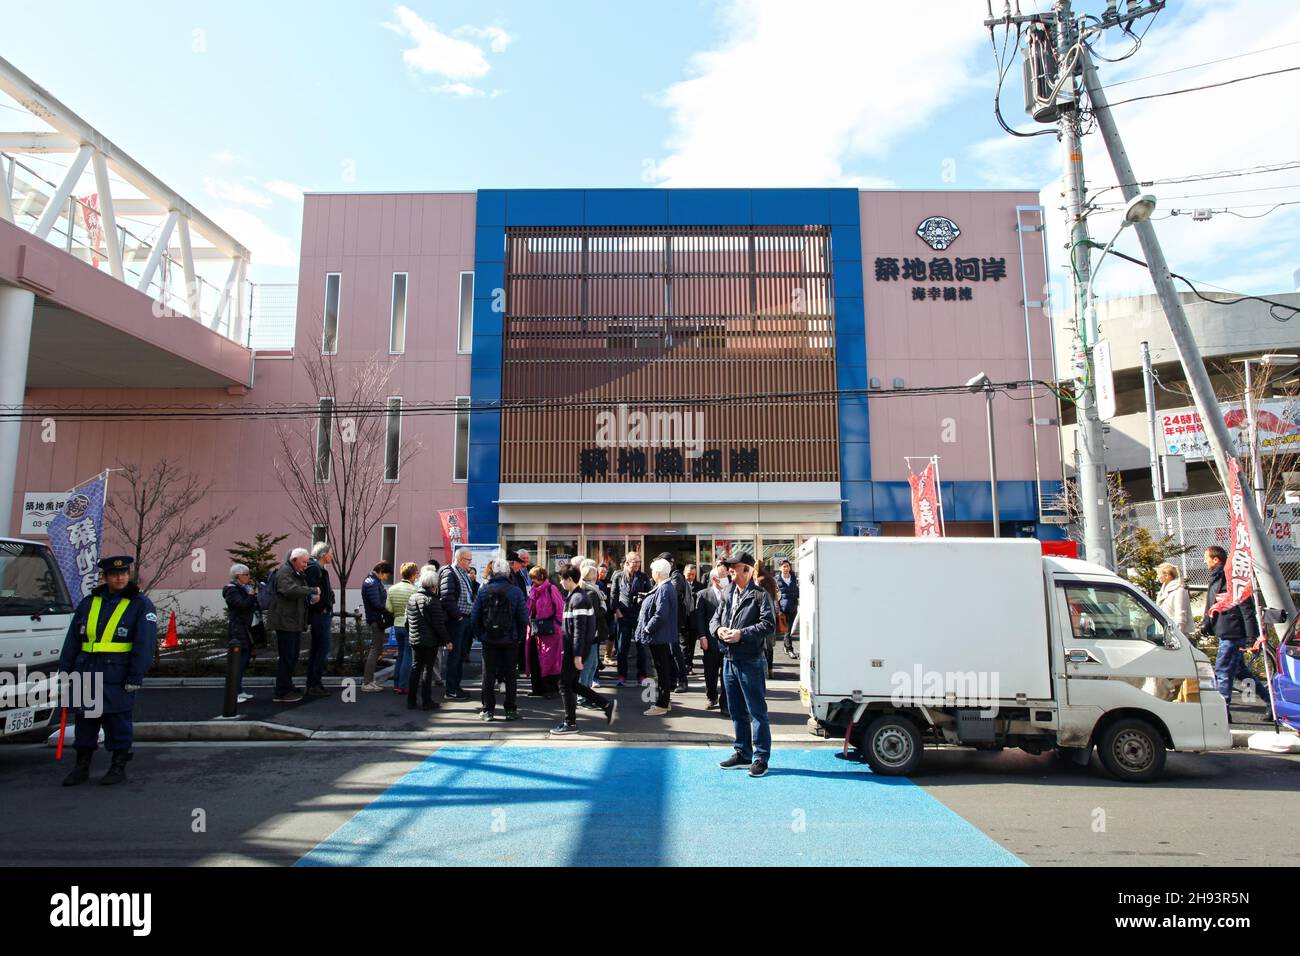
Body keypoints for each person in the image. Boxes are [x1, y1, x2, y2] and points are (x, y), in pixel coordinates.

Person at [58, 555, 159, 786]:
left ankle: (118, 766)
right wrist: (65, 671)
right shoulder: (89, 602)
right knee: (85, 720)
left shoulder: (139, 604)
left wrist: (136, 674)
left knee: (118, 721)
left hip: (117, 674)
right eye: (114, 575)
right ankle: (81, 766)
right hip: (86, 671)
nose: (120, 578)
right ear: (104, 577)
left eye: (124, 573)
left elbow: (145, 643)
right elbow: (73, 640)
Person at [710, 552, 776, 777]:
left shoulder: (760, 595)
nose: (730, 570)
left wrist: (741, 634)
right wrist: (718, 630)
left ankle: (760, 757)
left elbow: (768, 625)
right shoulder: (728, 592)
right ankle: (743, 752)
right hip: (729, 659)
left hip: (750, 660)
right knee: (737, 710)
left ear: (746, 570)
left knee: (756, 711)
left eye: (734, 567)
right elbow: (715, 619)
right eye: (729, 567)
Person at [1201, 545, 1271, 722]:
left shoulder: (1230, 579)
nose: (1204, 561)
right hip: (1226, 630)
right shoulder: (1217, 577)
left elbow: (1246, 608)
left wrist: (1250, 636)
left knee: (1223, 670)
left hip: (1232, 632)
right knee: (1241, 672)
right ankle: (1272, 702)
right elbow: (1211, 603)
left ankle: (1223, 711)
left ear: (1216, 560)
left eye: (1207, 557)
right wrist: (1207, 624)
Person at [551, 566, 619, 735]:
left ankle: (570, 722)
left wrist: (577, 655)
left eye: (562, 579)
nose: (561, 582)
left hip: (575, 650)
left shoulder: (578, 599)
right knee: (572, 684)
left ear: (569, 579)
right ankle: (605, 704)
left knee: (564, 684)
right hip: (575, 649)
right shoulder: (576, 597)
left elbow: (579, 630)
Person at [472, 558, 527, 721]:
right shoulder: (516, 591)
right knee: (510, 675)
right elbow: (523, 618)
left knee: (488, 675)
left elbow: (475, 616)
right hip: (510, 639)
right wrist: (519, 636)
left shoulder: (483, 590)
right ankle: (510, 709)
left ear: (493, 572)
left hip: (489, 639)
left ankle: (488, 710)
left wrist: (480, 635)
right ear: (508, 573)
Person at [268, 547, 316, 703]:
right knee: (287, 656)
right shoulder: (284, 572)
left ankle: (287, 686)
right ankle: (282, 691)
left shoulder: (294, 573)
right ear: (294, 559)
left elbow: (296, 592)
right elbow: (289, 590)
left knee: (292, 655)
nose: (305, 565)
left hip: (292, 621)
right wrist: (311, 590)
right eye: (303, 562)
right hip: (286, 621)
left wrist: (309, 596)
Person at [636, 558, 678, 716]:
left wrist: (647, 628)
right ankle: (664, 701)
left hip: (658, 635)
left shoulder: (664, 588)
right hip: (660, 635)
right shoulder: (664, 587)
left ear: (658, 573)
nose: (651, 573)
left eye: (653, 570)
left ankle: (662, 704)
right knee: (662, 669)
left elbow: (661, 614)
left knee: (662, 670)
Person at [406, 567, 452, 710]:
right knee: (427, 669)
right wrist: (447, 641)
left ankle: (411, 700)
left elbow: (407, 621)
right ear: (434, 585)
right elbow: (439, 624)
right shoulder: (433, 601)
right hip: (430, 641)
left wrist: (412, 634)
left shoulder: (412, 598)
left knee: (415, 668)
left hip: (415, 639)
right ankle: (427, 701)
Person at [439, 548, 476, 702]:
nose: (470, 562)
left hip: (465, 619)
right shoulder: (450, 573)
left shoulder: (462, 573)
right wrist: (459, 617)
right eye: (469, 559)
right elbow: (446, 598)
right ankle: (451, 689)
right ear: (460, 559)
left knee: (460, 655)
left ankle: (456, 686)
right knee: (455, 656)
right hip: (457, 621)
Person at [610, 552, 652, 686]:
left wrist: (643, 597)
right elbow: (613, 596)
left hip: (640, 616)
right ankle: (621, 675)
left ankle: (642, 675)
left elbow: (650, 596)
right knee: (622, 647)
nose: (637, 564)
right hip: (623, 615)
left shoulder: (644, 577)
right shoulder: (618, 576)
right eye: (635, 562)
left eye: (639, 561)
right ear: (627, 563)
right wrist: (618, 612)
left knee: (642, 647)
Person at [695, 566, 730, 716]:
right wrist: (702, 637)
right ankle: (711, 696)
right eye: (723, 576)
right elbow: (699, 618)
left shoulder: (731, 593)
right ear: (715, 579)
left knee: (726, 674)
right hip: (710, 641)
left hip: (728, 640)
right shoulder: (703, 595)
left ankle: (725, 704)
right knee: (710, 672)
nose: (726, 578)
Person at [526, 566, 564, 698]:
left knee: (549, 660)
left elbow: (560, 608)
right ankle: (537, 689)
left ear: (541, 577)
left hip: (549, 631)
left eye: (534, 578)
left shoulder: (551, 589)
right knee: (535, 659)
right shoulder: (533, 590)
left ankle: (550, 690)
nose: (532, 580)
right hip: (535, 630)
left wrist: (556, 625)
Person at [657, 552, 694, 691]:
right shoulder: (668, 577)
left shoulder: (676, 576)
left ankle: (682, 681)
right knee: (668, 651)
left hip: (675, 620)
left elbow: (669, 593)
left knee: (675, 650)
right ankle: (672, 680)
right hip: (669, 619)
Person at [303, 542, 335, 697]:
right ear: (323, 554)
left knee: (317, 649)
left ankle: (313, 683)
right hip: (320, 615)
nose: (332, 556)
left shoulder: (317, 569)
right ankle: (314, 683)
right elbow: (313, 593)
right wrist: (322, 606)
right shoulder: (315, 569)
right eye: (330, 553)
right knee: (322, 648)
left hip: (321, 614)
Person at [223, 563, 258, 703]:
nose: (249, 577)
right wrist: (250, 596)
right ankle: (234, 692)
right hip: (239, 629)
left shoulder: (243, 588)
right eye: (246, 575)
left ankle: (239, 690)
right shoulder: (232, 590)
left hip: (246, 628)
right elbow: (241, 605)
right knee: (239, 661)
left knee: (244, 659)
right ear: (238, 576)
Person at [386, 562, 419, 694]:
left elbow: (389, 608)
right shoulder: (414, 590)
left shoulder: (392, 589)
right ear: (411, 575)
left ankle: (396, 683)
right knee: (407, 656)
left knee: (400, 654)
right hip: (409, 625)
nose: (416, 576)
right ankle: (403, 685)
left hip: (397, 624)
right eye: (416, 573)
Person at [361, 561, 393, 692]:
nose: (386, 578)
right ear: (380, 571)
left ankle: (370, 680)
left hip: (377, 619)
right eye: (386, 575)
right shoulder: (372, 583)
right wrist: (389, 610)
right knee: (375, 649)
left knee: (377, 649)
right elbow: (376, 604)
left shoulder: (374, 582)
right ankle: (367, 682)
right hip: (376, 619)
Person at [577, 559, 609, 693]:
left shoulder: (590, 590)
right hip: (591, 634)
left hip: (592, 634)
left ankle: (587, 692)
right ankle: (583, 695)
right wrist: (604, 607)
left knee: (594, 664)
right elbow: (595, 614)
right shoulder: (591, 593)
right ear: (594, 577)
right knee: (589, 665)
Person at [755, 560, 780, 679]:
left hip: (762, 613)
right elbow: (776, 596)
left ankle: (764, 670)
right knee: (770, 645)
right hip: (772, 612)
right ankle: (771, 669)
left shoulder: (759, 580)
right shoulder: (771, 579)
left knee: (763, 643)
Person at [1156, 563, 1192, 638]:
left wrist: (1177, 636)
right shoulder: (1163, 591)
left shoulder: (1179, 591)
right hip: (1165, 633)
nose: (1157, 576)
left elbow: (1180, 616)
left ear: (1167, 576)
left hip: (1175, 636)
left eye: (1159, 574)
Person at [775, 558, 799, 660]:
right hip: (783, 608)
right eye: (784, 566)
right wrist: (778, 609)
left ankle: (786, 646)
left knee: (789, 629)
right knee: (788, 630)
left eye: (787, 566)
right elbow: (775, 595)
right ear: (780, 568)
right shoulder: (776, 580)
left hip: (793, 606)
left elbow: (798, 592)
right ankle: (789, 649)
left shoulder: (794, 578)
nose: (786, 568)